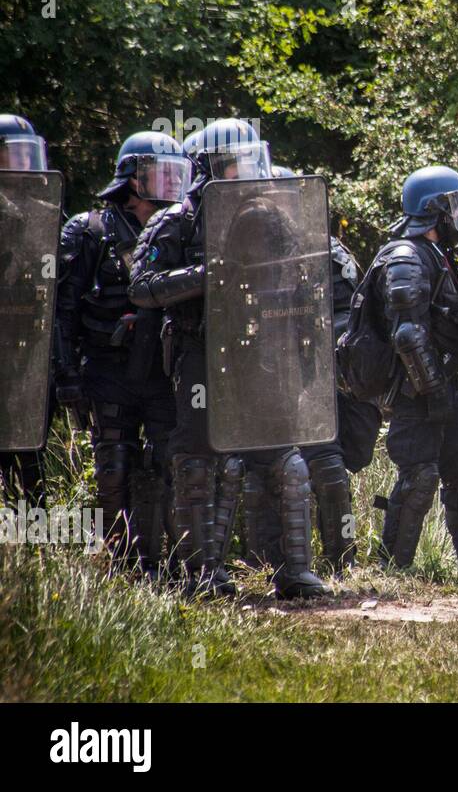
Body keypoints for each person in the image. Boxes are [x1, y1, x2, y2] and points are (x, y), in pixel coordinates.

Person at [129, 118, 327, 599]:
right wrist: (205, 274)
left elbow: (302, 283)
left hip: (260, 351)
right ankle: (204, 574)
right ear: (205, 170)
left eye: (249, 162)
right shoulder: (172, 222)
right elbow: (142, 288)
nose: (244, 174)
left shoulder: (274, 217)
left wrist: (305, 348)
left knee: (286, 461)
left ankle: (293, 571)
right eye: (232, 165)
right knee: (198, 464)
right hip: (199, 354)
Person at [54, 130, 189, 576]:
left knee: (171, 463)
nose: (170, 186)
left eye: (177, 176)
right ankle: (120, 561)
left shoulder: (180, 229)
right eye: (160, 175)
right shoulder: (89, 230)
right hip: (107, 370)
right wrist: (66, 373)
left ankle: (171, 562)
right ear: (132, 180)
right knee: (113, 465)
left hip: (163, 371)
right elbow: (63, 309)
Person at [372, 166, 458, 573]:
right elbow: (408, 338)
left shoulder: (439, 254)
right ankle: (392, 569)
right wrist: (431, 391)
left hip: (442, 388)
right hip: (418, 393)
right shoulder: (406, 257)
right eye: (454, 207)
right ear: (434, 212)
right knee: (420, 477)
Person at [263, 165, 381, 576]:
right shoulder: (246, 248)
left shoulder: (328, 252)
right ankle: (265, 561)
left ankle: (341, 561)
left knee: (330, 467)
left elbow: (351, 319)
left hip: (314, 375)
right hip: (258, 376)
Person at [0, 114, 57, 505]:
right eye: (13, 155)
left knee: (30, 453)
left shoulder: (46, 212)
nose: (23, 164)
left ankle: (30, 542)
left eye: (28, 154)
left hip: (31, 349)